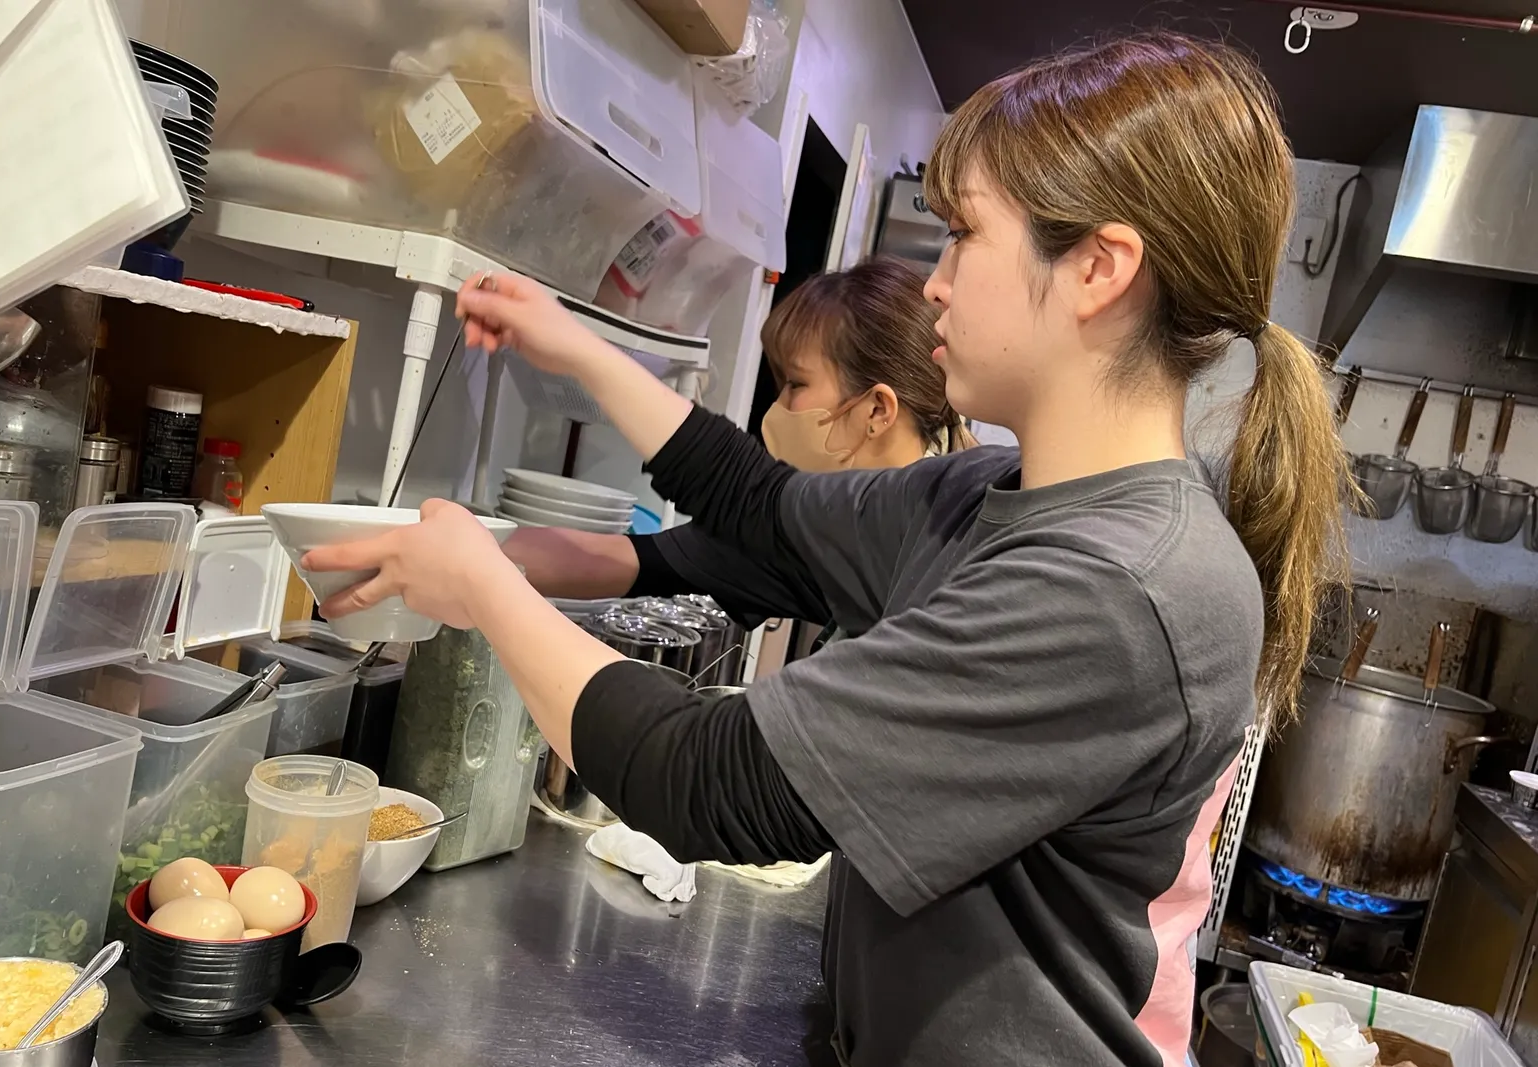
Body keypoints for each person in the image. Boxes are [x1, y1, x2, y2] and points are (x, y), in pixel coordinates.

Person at [304, 32, 1353, 1067]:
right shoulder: (984, 494)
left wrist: (485, 585)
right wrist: (579, 344)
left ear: (1097, 267)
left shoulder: (1124, 588)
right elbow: (762, 508)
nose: (933, 282)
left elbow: (711, 781)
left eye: (962, 234)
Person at [506, 255, 972, 621]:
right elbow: (633, 561)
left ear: (877, 410)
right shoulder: (820, 532)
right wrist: (480, 553)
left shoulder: (929, 542)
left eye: (796, 385)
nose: (778, 409)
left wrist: (579, 350)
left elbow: (730, 484)